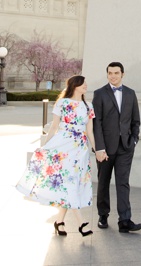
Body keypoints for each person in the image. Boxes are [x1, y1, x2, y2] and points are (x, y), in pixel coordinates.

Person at [16, 75, 97, 237]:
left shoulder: (88, 105)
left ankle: (59, 221)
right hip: (62, 147)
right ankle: (81, 223)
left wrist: (96, 149)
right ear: (75, 86)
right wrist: (45, 146)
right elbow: (54, 127)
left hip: (80, 149)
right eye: (83, 83)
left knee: (72, 183)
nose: (86, 86)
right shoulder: (62, 103)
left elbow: (89, 131)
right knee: (70, 182)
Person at [92, 61, 141, 233]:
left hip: (125, 147)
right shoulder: (99, 94)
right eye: (110, 73)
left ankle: (125, 220)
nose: (113, 76)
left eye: (116, 73)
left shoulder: (130, 93)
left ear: (122, 74)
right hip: (105, 148)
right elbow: (96, 123)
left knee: (123, 183)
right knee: (103, 182)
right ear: (107, 74)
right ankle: (103, 215)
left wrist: (134, 140)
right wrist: (99, 148)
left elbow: (136, 120)